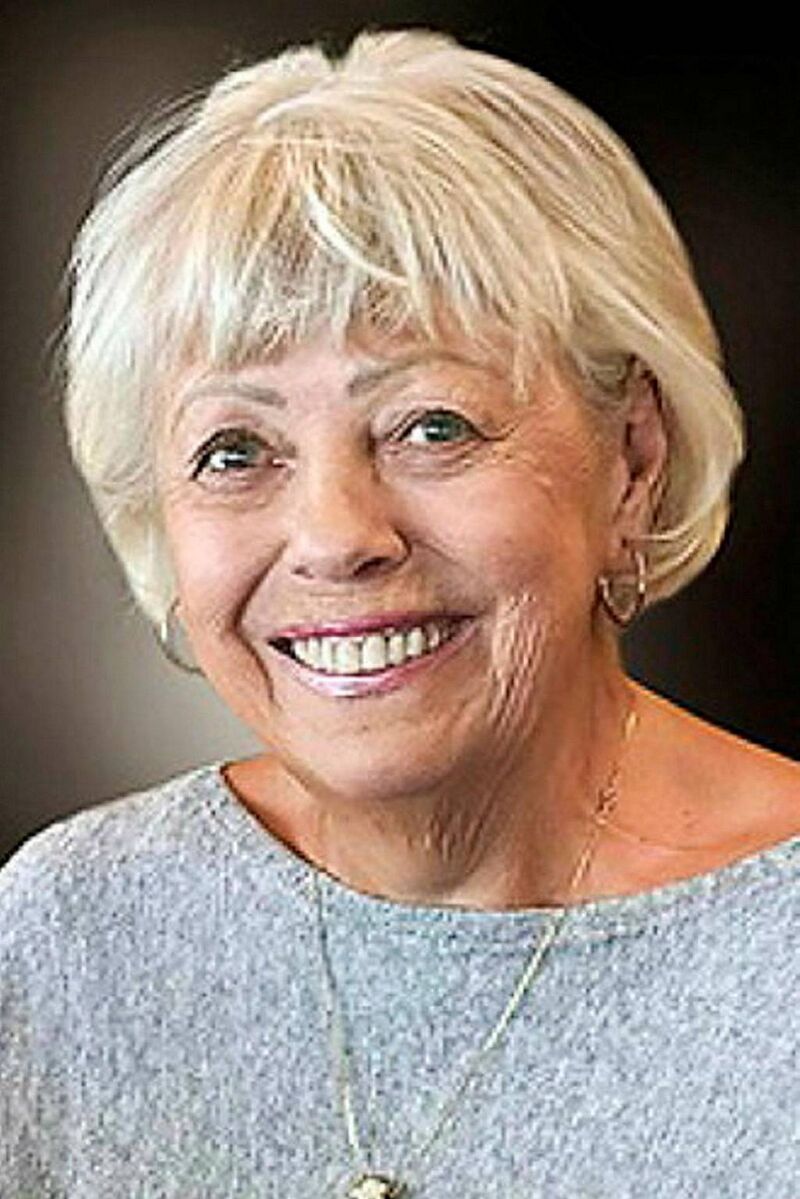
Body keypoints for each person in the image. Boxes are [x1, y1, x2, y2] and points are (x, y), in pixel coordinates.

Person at [1, 28, 798, 1199]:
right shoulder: (70, 934)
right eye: (235, 449)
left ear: (630, 458)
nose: (336, 535)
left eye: (431, 426)